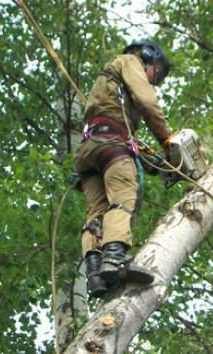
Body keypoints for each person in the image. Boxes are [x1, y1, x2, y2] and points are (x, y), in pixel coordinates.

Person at [73, 39, 172, 299]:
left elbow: (122, 132)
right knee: (123, 200)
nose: (154, 80)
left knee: (97, 213)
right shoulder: (130, 62)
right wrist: (168, 141)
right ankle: (115, 260)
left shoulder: (108, 86)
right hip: (111, 146)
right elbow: (147, 102)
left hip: (91, 150)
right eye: (156, 73)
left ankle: (95, 272)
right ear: (149, 57)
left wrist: (157, 166)